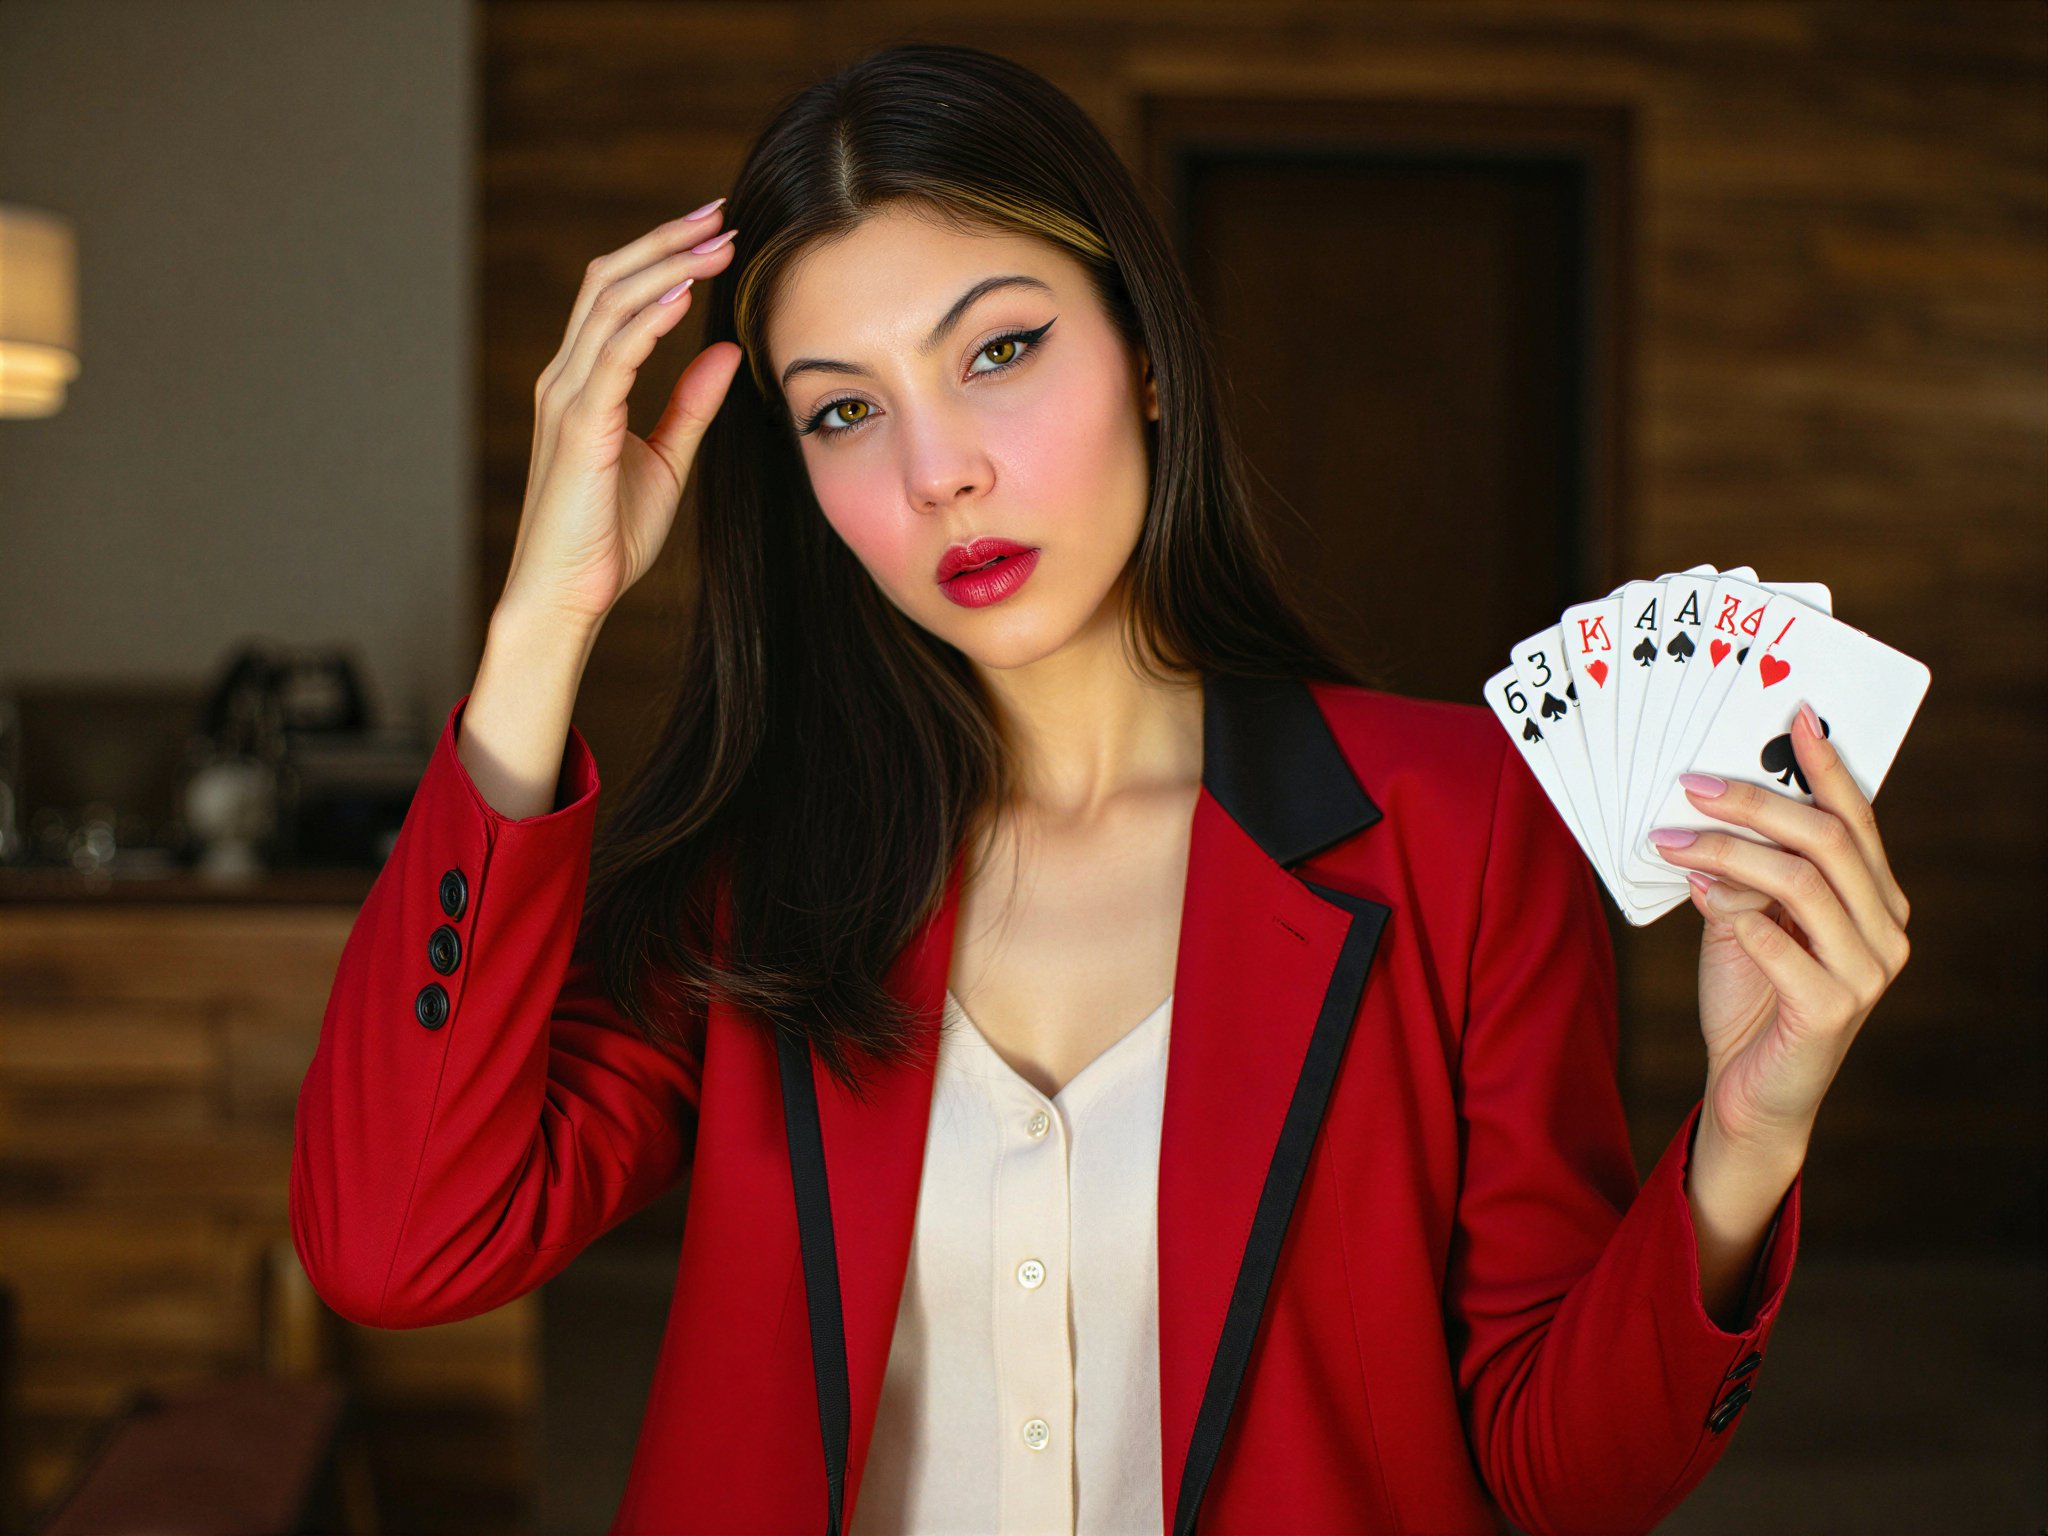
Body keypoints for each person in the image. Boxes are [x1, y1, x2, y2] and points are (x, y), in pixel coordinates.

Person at [289, 43, 1911, 1536]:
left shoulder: (1458, 824)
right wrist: (543, 619)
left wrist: (1745, 1144)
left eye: (999, 349)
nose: (941, 473)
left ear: (1143, 348)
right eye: (845, 412)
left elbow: (1558, 1474)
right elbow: (398, 1244)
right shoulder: (764, 877)